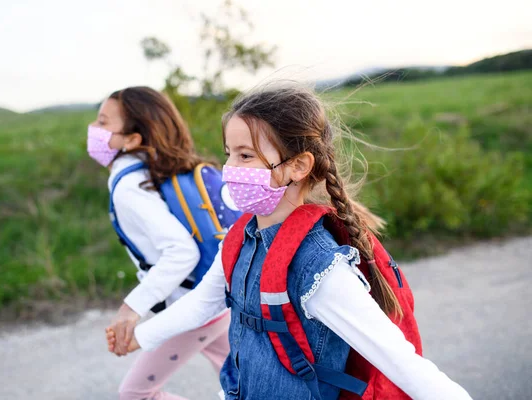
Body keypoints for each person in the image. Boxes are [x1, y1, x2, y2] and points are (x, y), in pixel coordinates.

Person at [108, 83, 473, 400]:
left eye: (245, 156)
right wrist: (141, 335)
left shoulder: (320, 269)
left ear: (298, 166)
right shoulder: (239, 239)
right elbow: (202, 305)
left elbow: (401, 362)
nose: (229, 169)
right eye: (229, 154)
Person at [88, 86, 230, 400]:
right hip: (218, 297)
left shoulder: (130, 186)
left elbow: (182, 252)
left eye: (102, 123)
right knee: (246, 384)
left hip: (196, 305)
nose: (93, 130)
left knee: (136, 394)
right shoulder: (155, 170)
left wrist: (131, 307)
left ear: (133, 139)